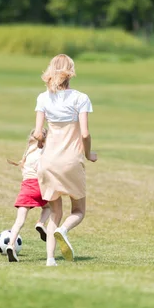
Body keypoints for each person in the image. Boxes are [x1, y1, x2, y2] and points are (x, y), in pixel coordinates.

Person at [32, 54, 97, 267]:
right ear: (71, 72)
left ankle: (50, 259)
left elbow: (38, 134)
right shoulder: (80, 98)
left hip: (48, 163)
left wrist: (42, 142)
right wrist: (89, 154)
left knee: (54, 212)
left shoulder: (43, 98)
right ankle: (64, 230)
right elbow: (85, 134)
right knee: (78, 210)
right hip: (70, 162)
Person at [5, 128, 51, 263]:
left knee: (19, 221)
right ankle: (41, 223)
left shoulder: (28, 150)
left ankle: (10, 245)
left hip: (26, 187)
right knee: (49, 207)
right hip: (38, 186)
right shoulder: (45, 150)